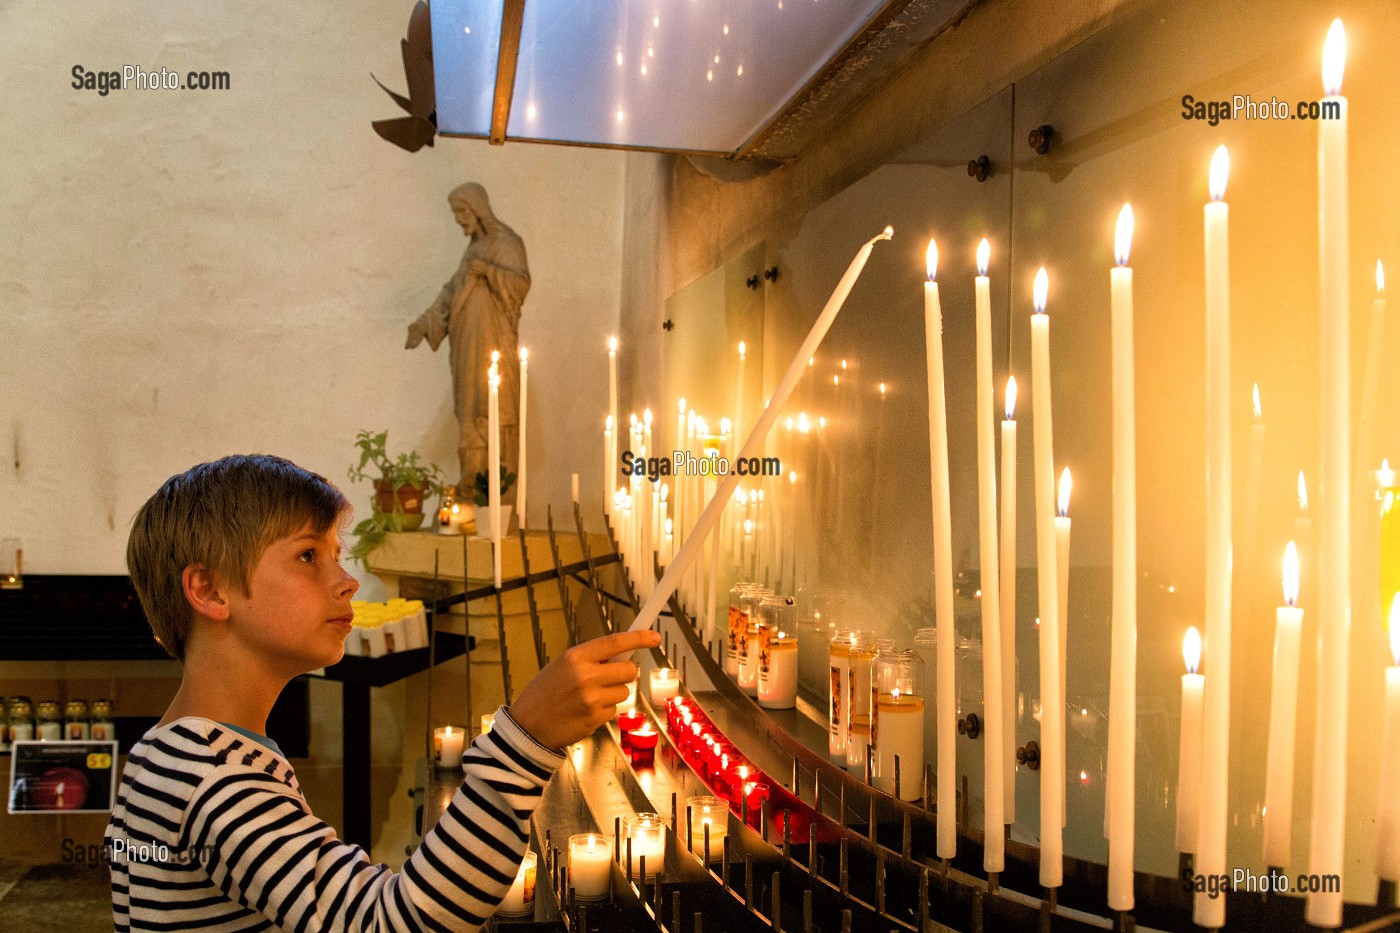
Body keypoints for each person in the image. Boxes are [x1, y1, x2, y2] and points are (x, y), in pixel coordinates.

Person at [109, 454, 658, 932]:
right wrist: (526, 740)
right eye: (307, 557)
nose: (345, 580)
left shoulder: (172, 752)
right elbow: (397, 921)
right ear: (209, 589)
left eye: (335, 553)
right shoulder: (214, 779)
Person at [406, 183, 530, 494]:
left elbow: (519, 285)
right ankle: (471, 479)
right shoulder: (473, 248)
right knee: (469, 406)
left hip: (493, 342)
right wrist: (424, 323)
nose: (460, 220)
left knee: (494, 405)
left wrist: (487, 271)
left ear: (477, 209)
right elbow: (452, 291)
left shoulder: (507, 243)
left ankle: (496, 483)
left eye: (462, 212)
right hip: (466, 345)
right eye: (456, 214)